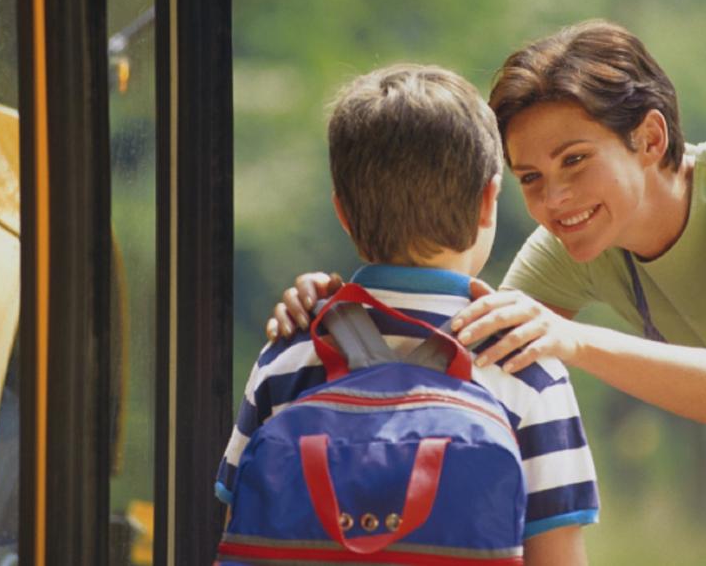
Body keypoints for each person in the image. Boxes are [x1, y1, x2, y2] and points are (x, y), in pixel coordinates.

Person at [268, 20, 706, 565]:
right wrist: (336, 309)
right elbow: (451, 365)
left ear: (651, 138)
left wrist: (575, 340)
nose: (554, 200)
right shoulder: (571, 240)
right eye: (530, 176)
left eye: (575, 160)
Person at [220, 63, 600, 564]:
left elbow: (237, 531)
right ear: (488, 201)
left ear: (343, 213)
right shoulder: (527, 366)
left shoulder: (290, 353)